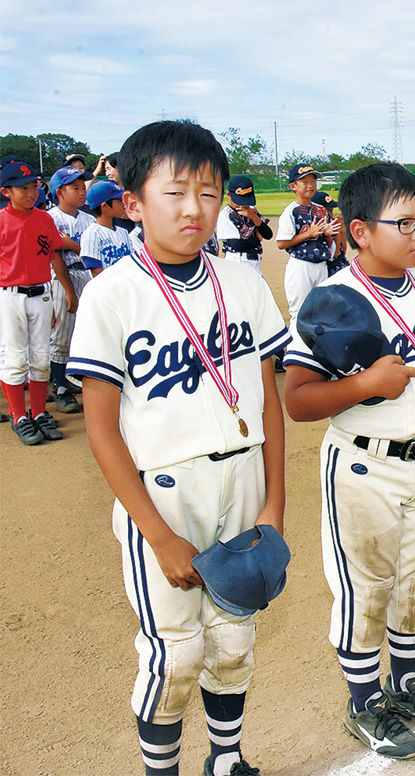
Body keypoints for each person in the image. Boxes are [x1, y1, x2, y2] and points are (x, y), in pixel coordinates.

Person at [66, 120, 289, 776]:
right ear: (133, 203)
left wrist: (274, 503)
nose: (195, 208)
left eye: (210, 193)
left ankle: (227, 761)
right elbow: (102, 430)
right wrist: (157, 535)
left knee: (234, 640)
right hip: (163, 493)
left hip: (244, 481)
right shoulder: (112, 295)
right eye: (176, 191)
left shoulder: (242, 282)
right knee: (176, 655)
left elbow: (268, 402)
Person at [283, 162, 415, 760]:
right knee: (366, 585)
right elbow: (297, 399)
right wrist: (365, 385)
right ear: (359, 231)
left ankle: (406, 683)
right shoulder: (334, 301)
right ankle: (364, 699)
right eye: (402, 223)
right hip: (363, 467)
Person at [0, 159, 73, 444]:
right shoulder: (2, 221)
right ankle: (19, 417)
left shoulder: (45, 219)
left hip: (41, 292)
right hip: (10, 294)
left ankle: (40, 413)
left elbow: (55, 250)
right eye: (22, 187)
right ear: (6, 192)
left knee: (41, 356)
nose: (30, 192)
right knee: (15, 357)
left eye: (33, 186)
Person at [47, 165, 96, 413]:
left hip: (85, 274)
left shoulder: (89, 219)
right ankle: (61, 388)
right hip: (59, 276)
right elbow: (54, 249)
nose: (81, 191)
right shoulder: (51, 217)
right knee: (62, 336)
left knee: (82, 334)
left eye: (82, 186)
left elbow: (84, 250)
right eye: (74, 187)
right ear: (59, 192)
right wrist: (68, 290)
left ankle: (69, 380)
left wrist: (71, 244)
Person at [277, 163, 338, 321]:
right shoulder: (291, 211)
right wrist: (308, 234)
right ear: (293, 186)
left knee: (323, 311)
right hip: (300, 265)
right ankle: (295, 346)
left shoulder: (321, 210)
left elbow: (328, 241)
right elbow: (282, 243)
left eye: (313, 181)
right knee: (300, 312)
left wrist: (327, 235)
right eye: (304, 182)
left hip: (321, 264)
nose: (310, 185)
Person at [216, 176, 272, 274]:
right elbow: (237, 245)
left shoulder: (251, 210)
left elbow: (268, 234)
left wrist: (254, 217)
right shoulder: (225, 215)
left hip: (254, 261)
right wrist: (257, 239)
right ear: (228, 194)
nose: (243, 203)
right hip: (236, 261)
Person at [80, 180, 136, 274]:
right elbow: (95, 272)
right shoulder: (92, 233)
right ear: (105, 206)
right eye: (119, 201)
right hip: (105, 286)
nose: (123, 204)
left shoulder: (124, 232)